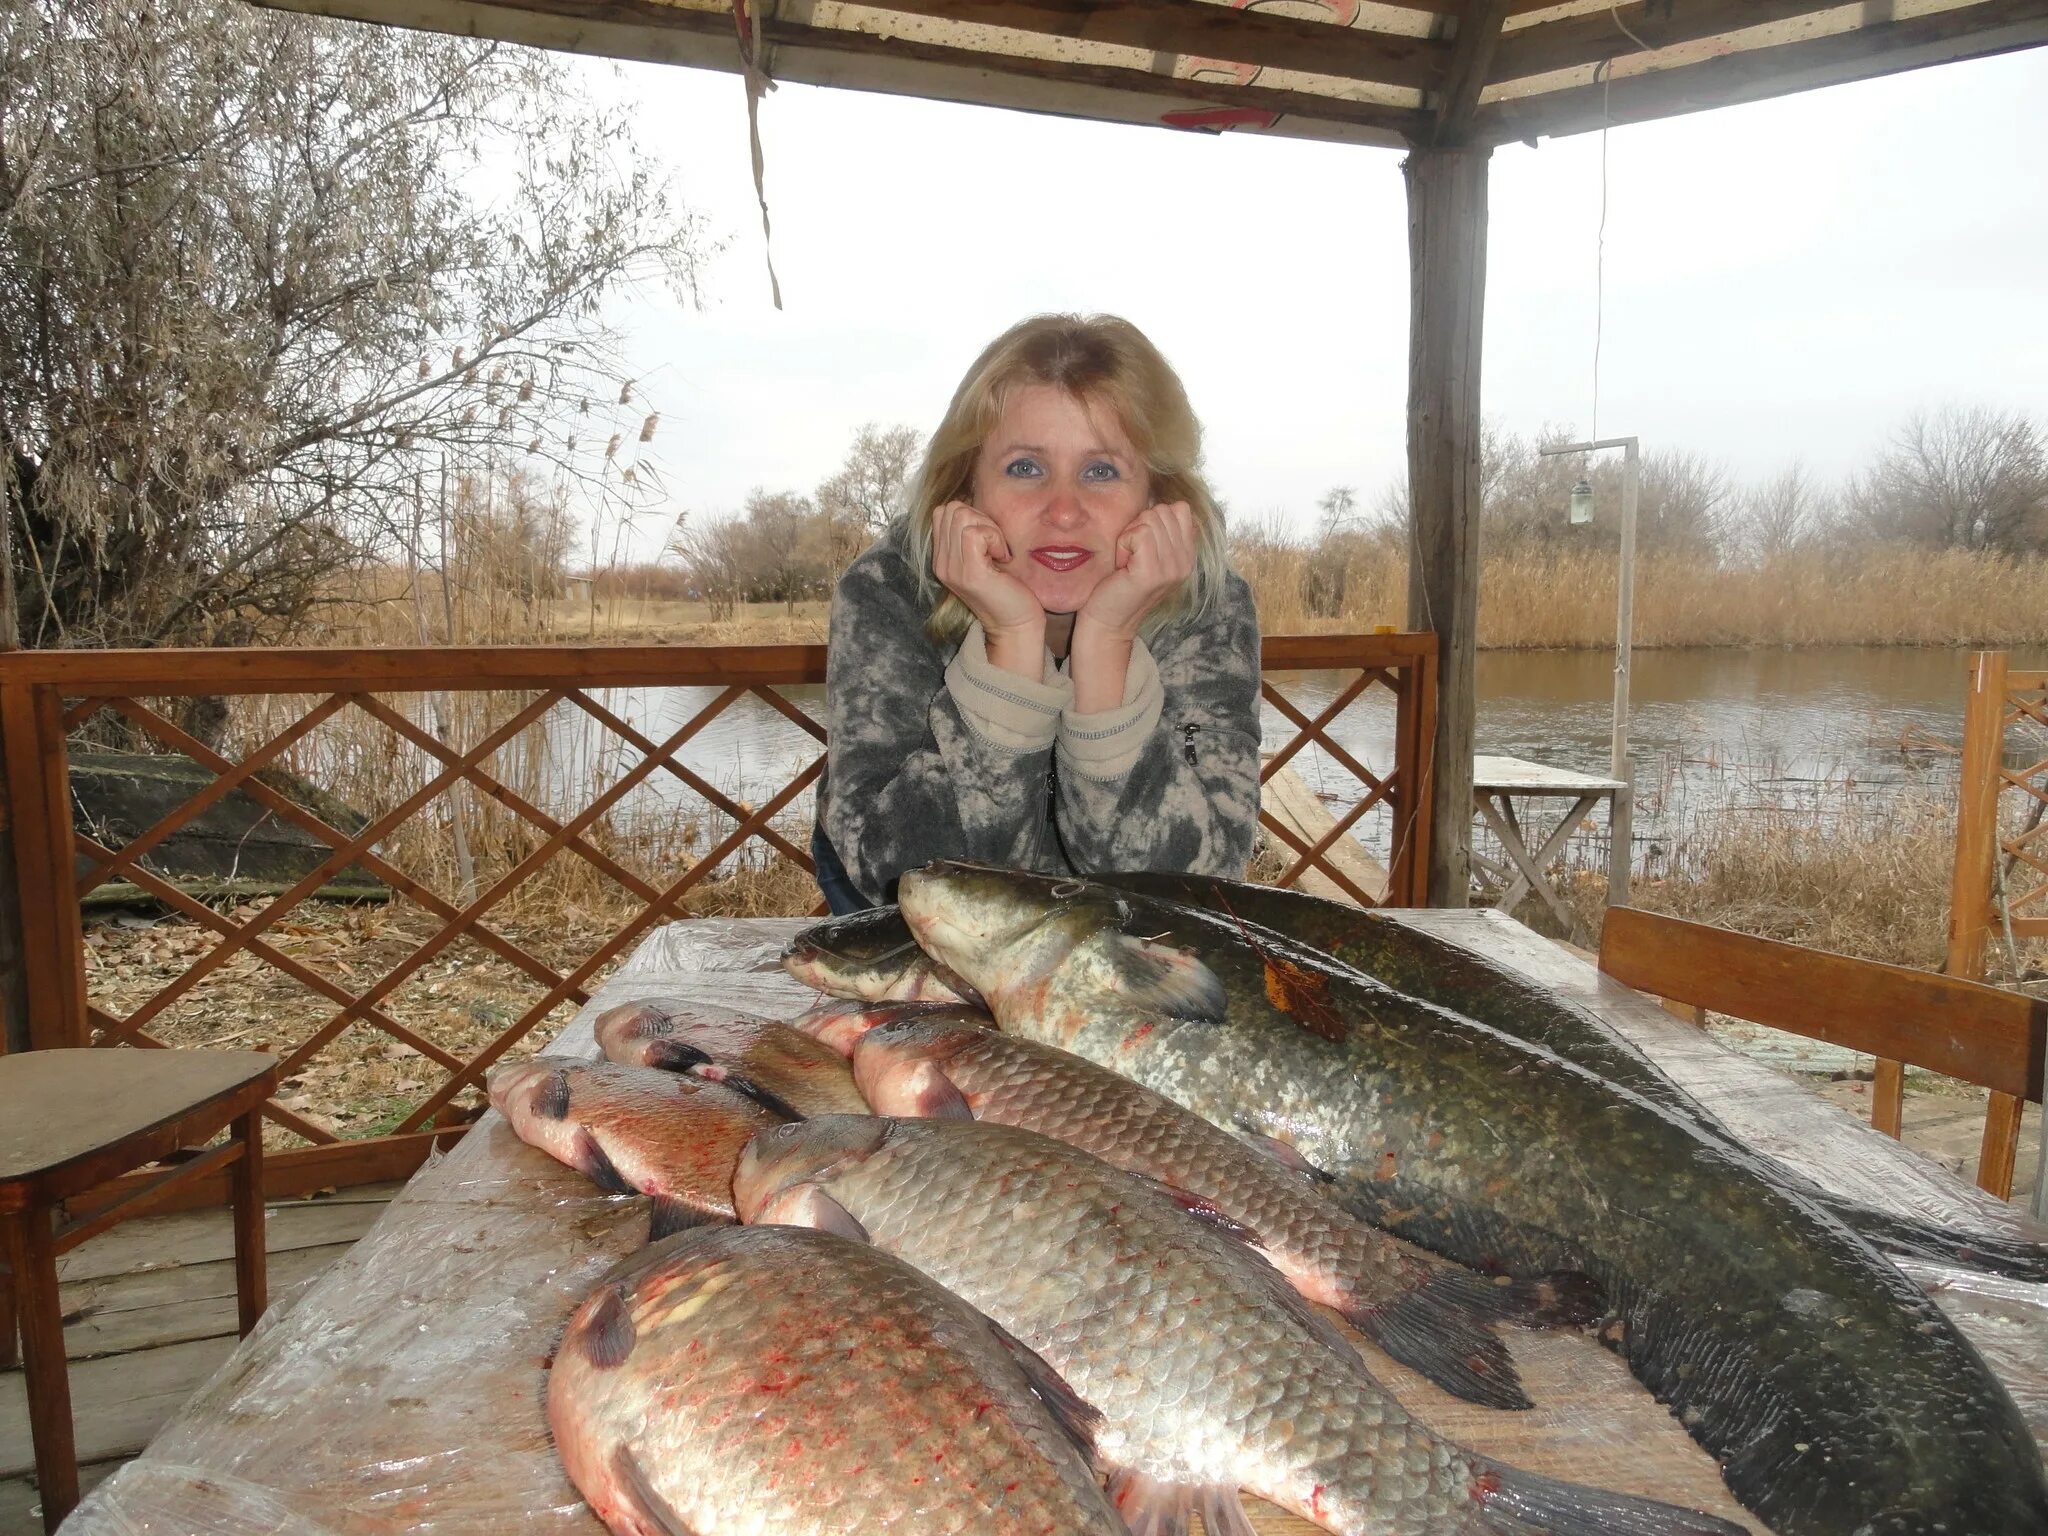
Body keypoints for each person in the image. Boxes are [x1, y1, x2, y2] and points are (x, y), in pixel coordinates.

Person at [812, 313, 1261, 913]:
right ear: (965, 486)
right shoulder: (888, 591)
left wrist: (1106, 645)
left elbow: (1197, 888)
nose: (1064, 510)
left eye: (1101, 470)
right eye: (1025, 467)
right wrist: (1011, 643)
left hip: (1103, 921)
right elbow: (895, 874)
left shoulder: (1209, 605)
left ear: (1158, 497)